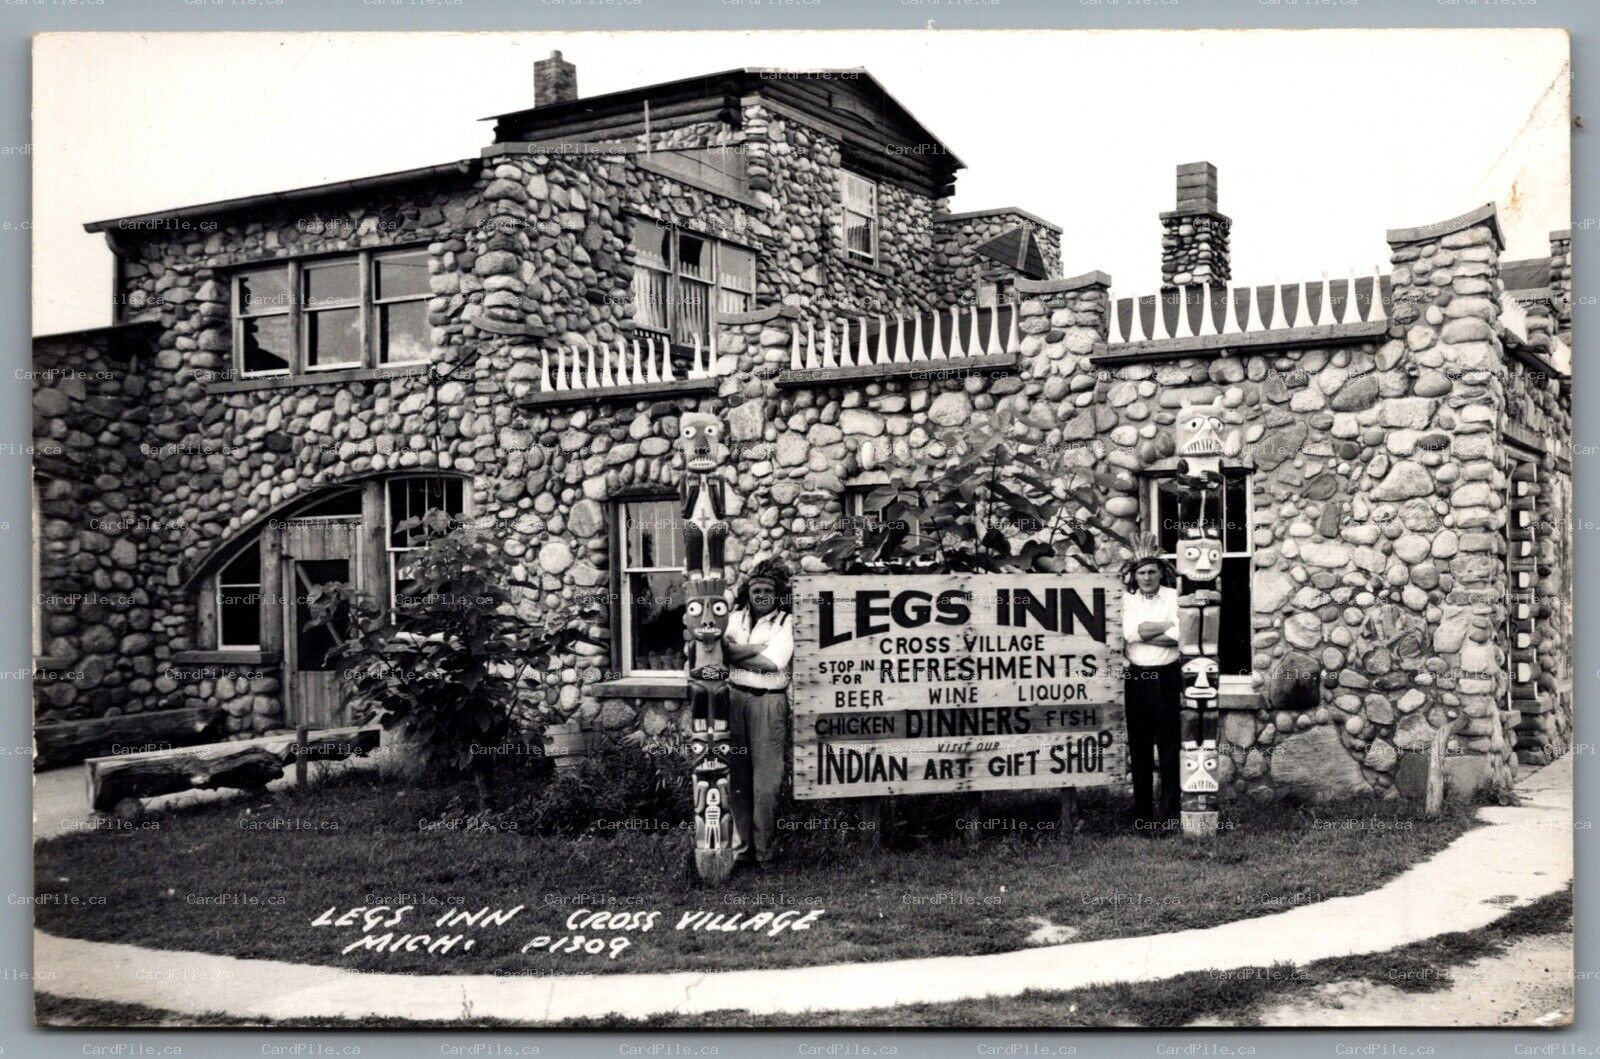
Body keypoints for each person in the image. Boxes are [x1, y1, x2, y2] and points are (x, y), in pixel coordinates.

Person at [722, 559, 794, 867]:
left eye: (767, 590)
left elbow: (770, 664)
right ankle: (742, 852)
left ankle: (765, 852)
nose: (761, 595)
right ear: (747, 592)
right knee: (737, 778)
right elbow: (718, 650)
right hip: (735, 699)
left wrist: (734, 653)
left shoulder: (787, 622)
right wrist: (754, 648)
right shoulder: (734, 617)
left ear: (777, 594)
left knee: (766, 784)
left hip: (768, 702)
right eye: (755, 590)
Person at [1122, 552, 1182, 828]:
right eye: (1141, 573)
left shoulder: (1173, 596)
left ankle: (1169, 814)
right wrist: (1166, 627)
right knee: (1140, 746)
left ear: (1161, 573)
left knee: (1169, 747)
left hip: (1167, 678)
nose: (1147, 578)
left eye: (1151, 572)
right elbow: (1129, 633)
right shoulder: (1128, 600)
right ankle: (1143, 816)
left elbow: (1181, 635)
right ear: (1134, 576)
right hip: (1137, 678)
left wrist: (1149, 632)